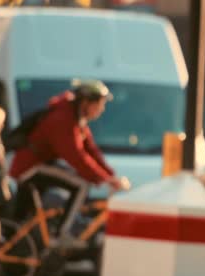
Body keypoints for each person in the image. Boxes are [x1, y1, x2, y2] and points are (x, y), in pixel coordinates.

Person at [9, 79, 125, 247]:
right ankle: (62, 234)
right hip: (30, 167)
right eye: (99, 104)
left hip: (42, 164)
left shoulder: (77, 118)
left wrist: (111, 175)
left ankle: (52, 236)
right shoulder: (63, 119)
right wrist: (104, 179)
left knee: (30, 216)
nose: (102, 109)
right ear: (86, 102)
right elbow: (77, 157)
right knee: (82, 184)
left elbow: (91, 150)